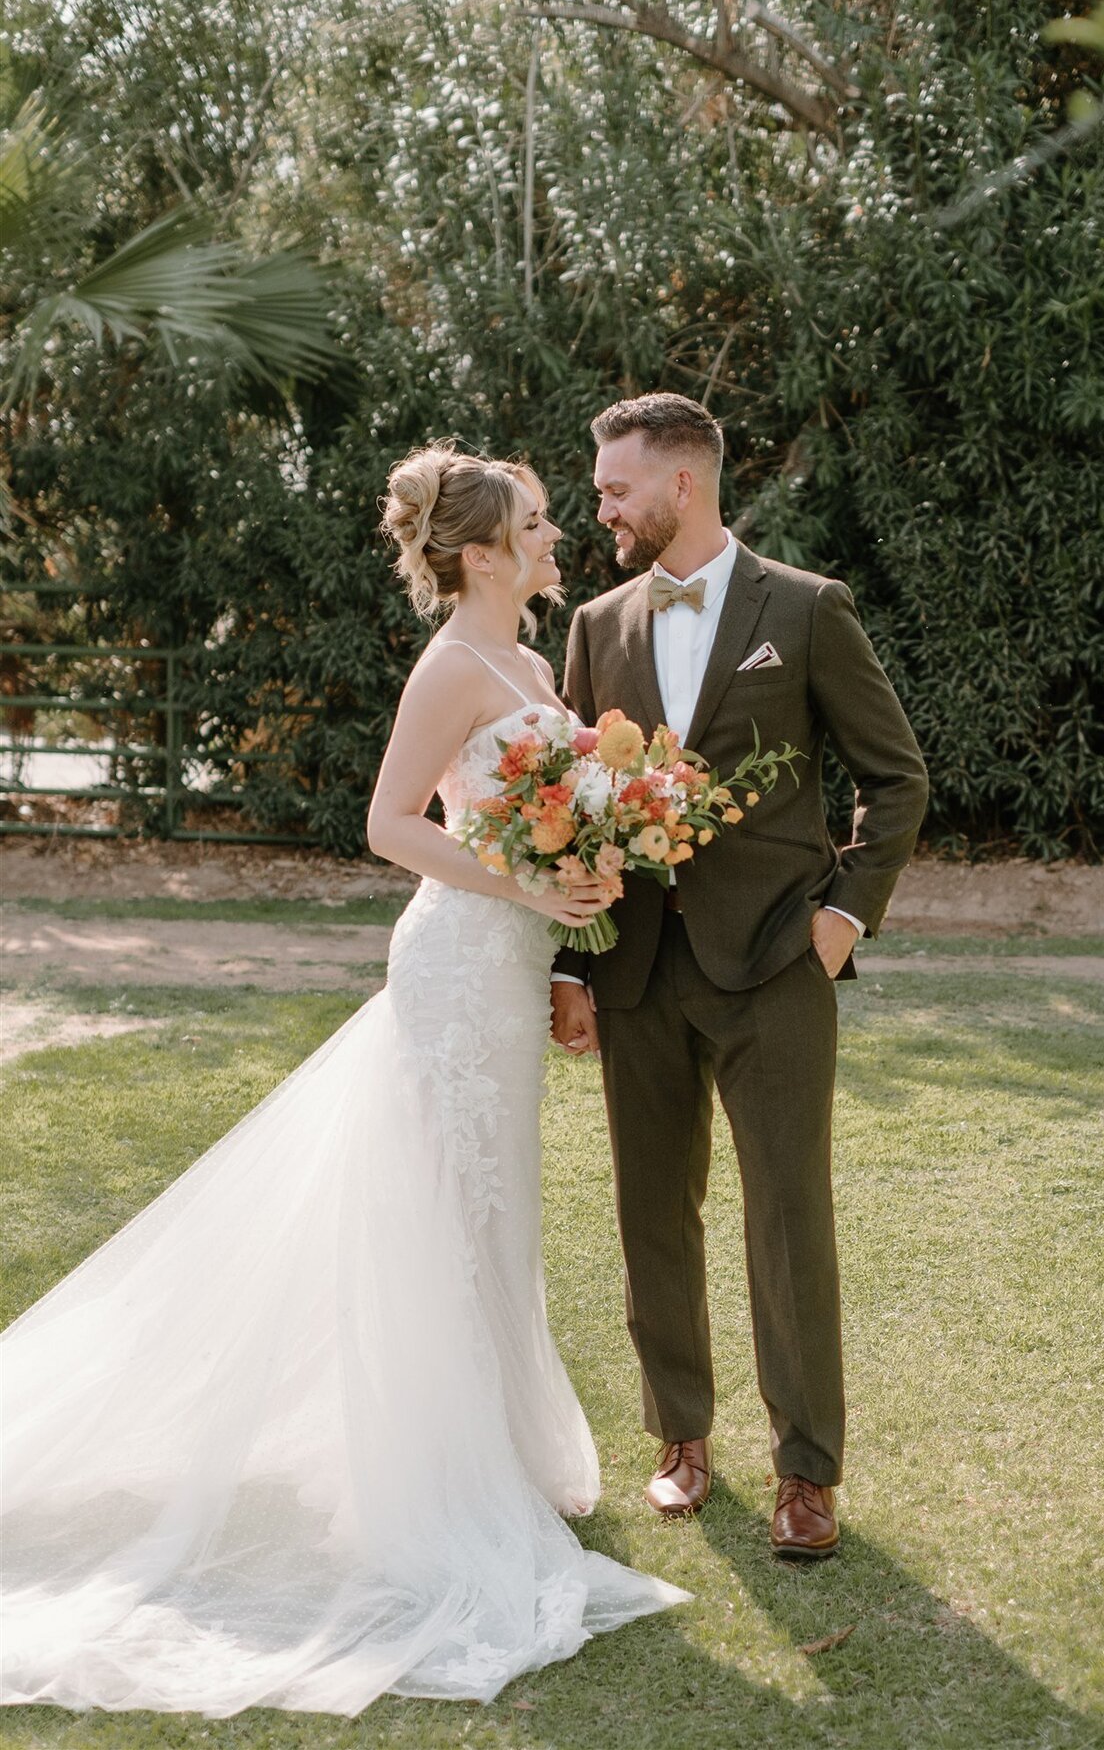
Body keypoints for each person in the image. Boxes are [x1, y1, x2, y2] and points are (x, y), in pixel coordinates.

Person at [0, 443, 686, 1718]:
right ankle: (433, 1480)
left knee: (490, 1209)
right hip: (451, 966)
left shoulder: (532, 664)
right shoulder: (450, 666)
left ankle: (490, 1456)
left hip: (506, 969)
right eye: (536, 526)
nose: (553, 540)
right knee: (439, 1207)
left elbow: (519, 821)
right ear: (480, 553)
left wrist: (568, 904)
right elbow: (390, 823)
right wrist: (530, 884)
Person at [551, 394, 928, 1560]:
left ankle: (806, 1473)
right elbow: (567, 815)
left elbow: (896, 778)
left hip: (776, 962)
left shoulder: (807, 611)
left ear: (682, 484)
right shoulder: (596, 623)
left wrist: (842, 920)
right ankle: (680, 1440)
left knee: (787, 1214)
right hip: (639, 970)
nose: (602, 508)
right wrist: (571, 963)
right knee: (651, 1211)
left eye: (618, 490)